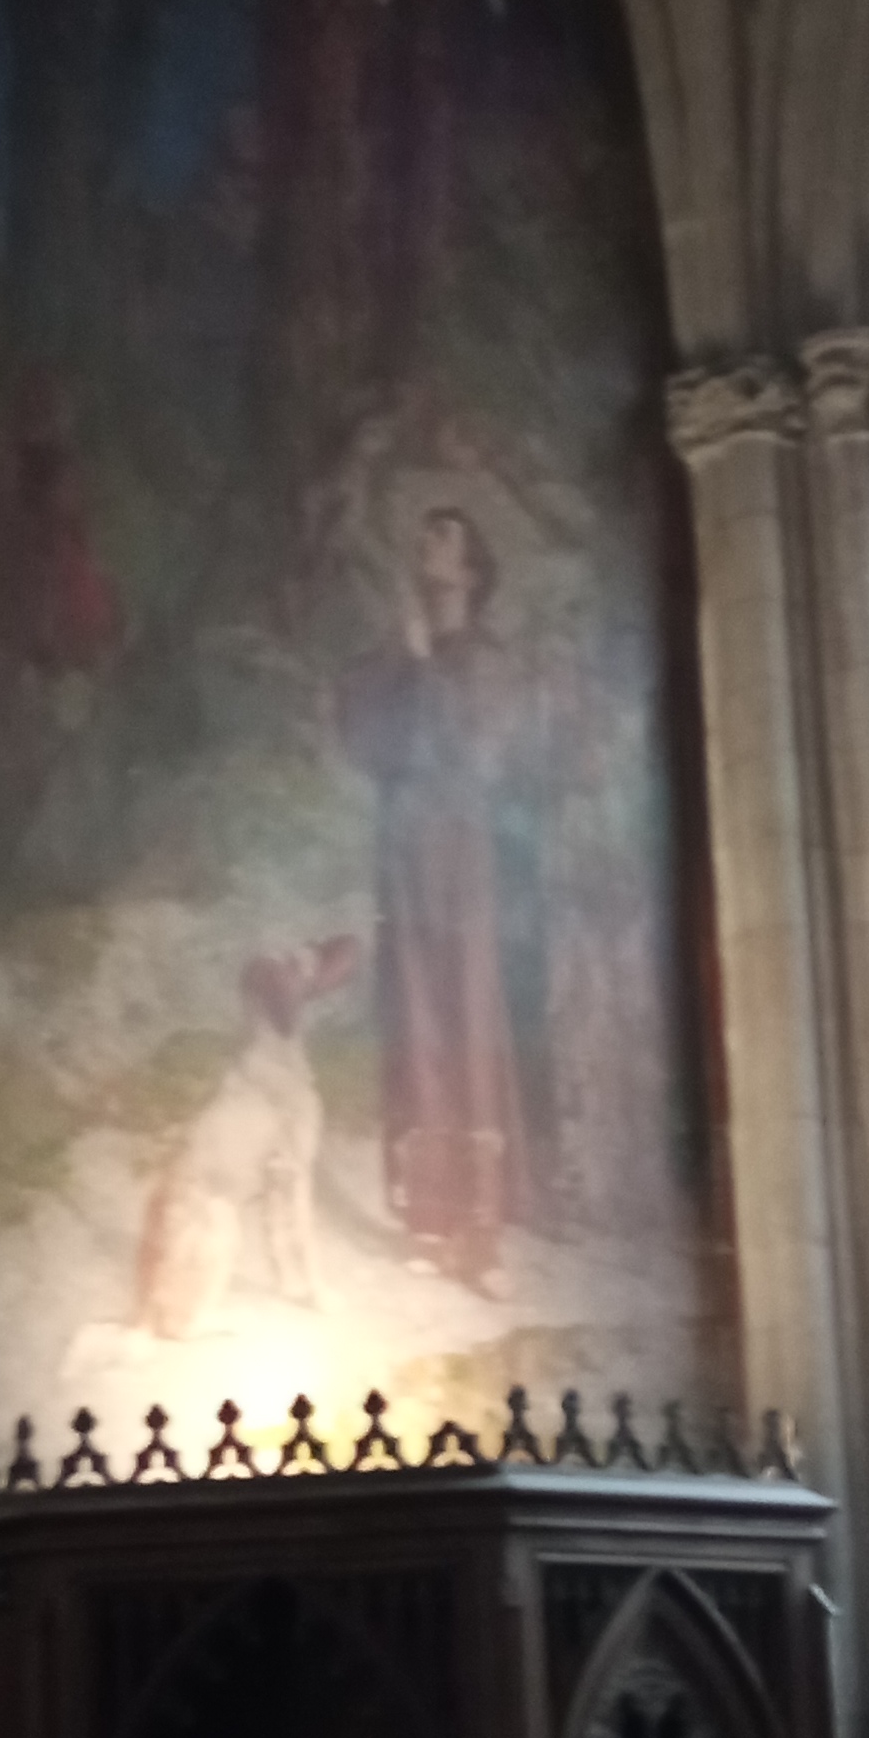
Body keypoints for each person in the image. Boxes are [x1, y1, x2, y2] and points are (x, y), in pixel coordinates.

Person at [341, 504, 528, 1292]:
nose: (427, 544)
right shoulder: (393, 657)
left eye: (444, 536)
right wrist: (403, 664)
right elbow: (364, 744)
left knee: (469, 1022)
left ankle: (482, 1235)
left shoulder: (488, 661)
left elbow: (480, 757)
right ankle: (430, 1216)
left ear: (472, 570)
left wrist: (424, 668)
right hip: (404, 857)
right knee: (415, 1022)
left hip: (463, 859)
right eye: (423, 534)